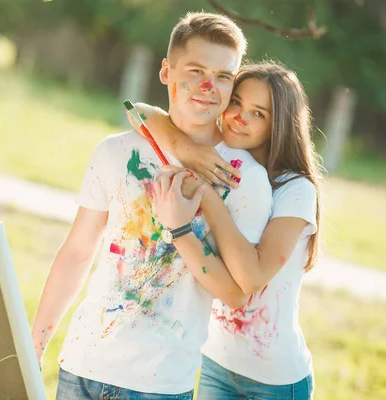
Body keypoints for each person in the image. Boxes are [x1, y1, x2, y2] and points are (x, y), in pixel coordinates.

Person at [31, 12, 274, 399]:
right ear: (166, 72)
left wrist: (179, 230)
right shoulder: (114, 151)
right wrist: (36, 343)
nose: (209, 86)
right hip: (80, 367)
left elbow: (235, 292)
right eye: (195, 71)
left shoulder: (243, 177)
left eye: (223, 76)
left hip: (158, 384)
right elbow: (77, 252)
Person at [131, 60, 321, 399]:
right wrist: (187, 148)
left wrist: (209, 199)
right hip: (216, 364)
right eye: (237, 102)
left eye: (258, 113)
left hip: (275, 381)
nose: (240, 117)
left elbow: (251, 277)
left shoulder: (295, 190)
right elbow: (138, 111)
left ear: (280, 125)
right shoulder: (213, 157)